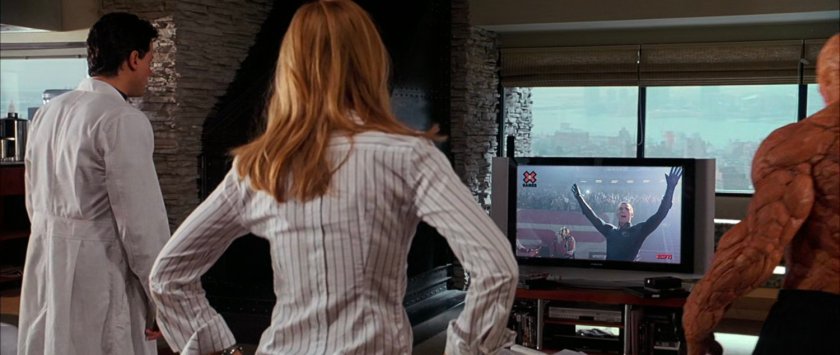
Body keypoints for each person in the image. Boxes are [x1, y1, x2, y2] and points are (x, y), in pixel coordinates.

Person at [148, 1, 519, 355]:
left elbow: (168, 276)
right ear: (372, 63)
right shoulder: (408, 156)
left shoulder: (260, 164)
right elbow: (497, 268)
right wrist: (465, 348)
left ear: (290, 70)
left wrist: (218, 349)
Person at [18, 12, 169, 355]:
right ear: (133, 58)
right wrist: (162, 297)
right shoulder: (122, 119)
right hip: (100, 271)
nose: (151, 71)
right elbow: (142, 224)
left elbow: (33, 197)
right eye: (150, 61)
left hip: (46, 260)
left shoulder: (48, 112)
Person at [682, 34, 840, 355]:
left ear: (824, 82)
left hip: (818, 316)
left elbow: (756, 250)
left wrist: (697, 329)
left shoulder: (800, 145)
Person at [571, 167, 682, 261]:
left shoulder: (640, 230)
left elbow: (661, 214)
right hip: (608, 274)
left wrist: (670, 188)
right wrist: (579, 198)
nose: (623, 210)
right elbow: (591, 216)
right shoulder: (609, 230)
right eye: (620, 209)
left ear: (631, 214)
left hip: (628, 275)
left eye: (626, 209)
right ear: (617, 214)